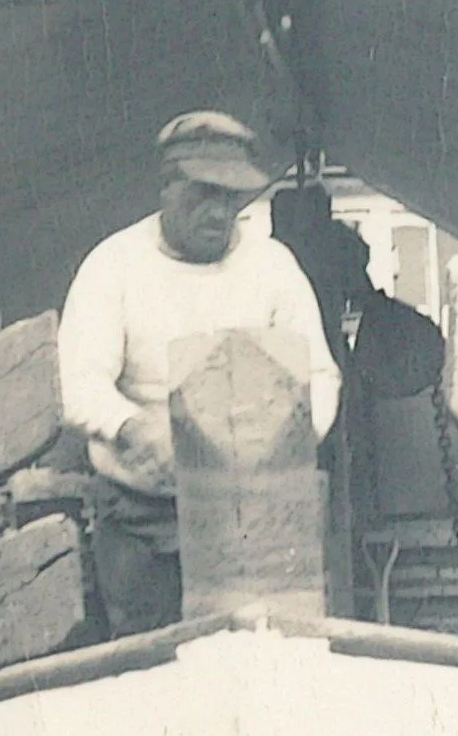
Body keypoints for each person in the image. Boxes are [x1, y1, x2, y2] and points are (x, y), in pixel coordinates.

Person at [57, 111, 342, 635]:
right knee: (154, 673)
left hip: (254, 516)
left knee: (268, 656)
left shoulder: (273, 267)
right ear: (167, 186)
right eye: (202, 194)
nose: (218, 211)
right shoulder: (114, 267)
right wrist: (133, 428)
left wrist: (291, 440)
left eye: (231, 197)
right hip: (144, 519)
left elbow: (320, 376)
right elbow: (80, 385)